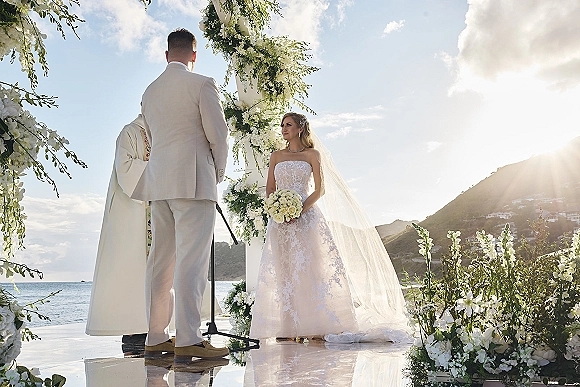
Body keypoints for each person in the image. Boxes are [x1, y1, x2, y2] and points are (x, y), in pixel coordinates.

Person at [250, 113, 410, 342]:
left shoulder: (312, 155)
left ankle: (315, 326)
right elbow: (269, 190)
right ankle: (288, 328)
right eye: (282, 125)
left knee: (310, 269)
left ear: (300, 129)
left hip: (306, 218)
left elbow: (319, 190)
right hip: (280, 223)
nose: (284, 129)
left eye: (288, 125)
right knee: (284, 271)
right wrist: (278, 211)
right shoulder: (276, 156)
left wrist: (299, 210)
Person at [131, 28, 229, 361]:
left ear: (166, 54)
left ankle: (156, 336)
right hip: (194, 180)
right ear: (194, 54)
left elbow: (153, 136)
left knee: (160, 261)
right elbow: (218, 135)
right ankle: (189, 338)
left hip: (159, 183)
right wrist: (216, 175)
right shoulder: (202, 83)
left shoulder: (149, 91)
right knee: (192, 261)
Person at [86, 115, 221, 352]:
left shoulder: (165, 132)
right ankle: (139, 328)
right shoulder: (130, 132)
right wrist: (161, 171)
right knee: (141, 268)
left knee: (173, 265)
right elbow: (125, 167)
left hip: (167, 204)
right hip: (140, 209)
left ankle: (167, 328)